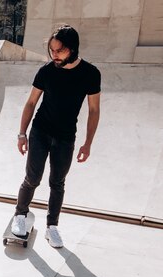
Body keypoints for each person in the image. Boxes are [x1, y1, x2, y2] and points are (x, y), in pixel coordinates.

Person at [11, 24, 101, 248]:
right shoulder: (46, 71)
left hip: (66, 137)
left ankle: (52, 227)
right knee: (32, 178)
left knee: (57, 183)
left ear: (72, 49)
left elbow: (94, 110)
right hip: (40, 131)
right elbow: (31, 102)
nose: (54, 55)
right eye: (51, 50)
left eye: (59, 51)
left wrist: (88, 143)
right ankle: (20, 215)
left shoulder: (90, 74)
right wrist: (22, 134)